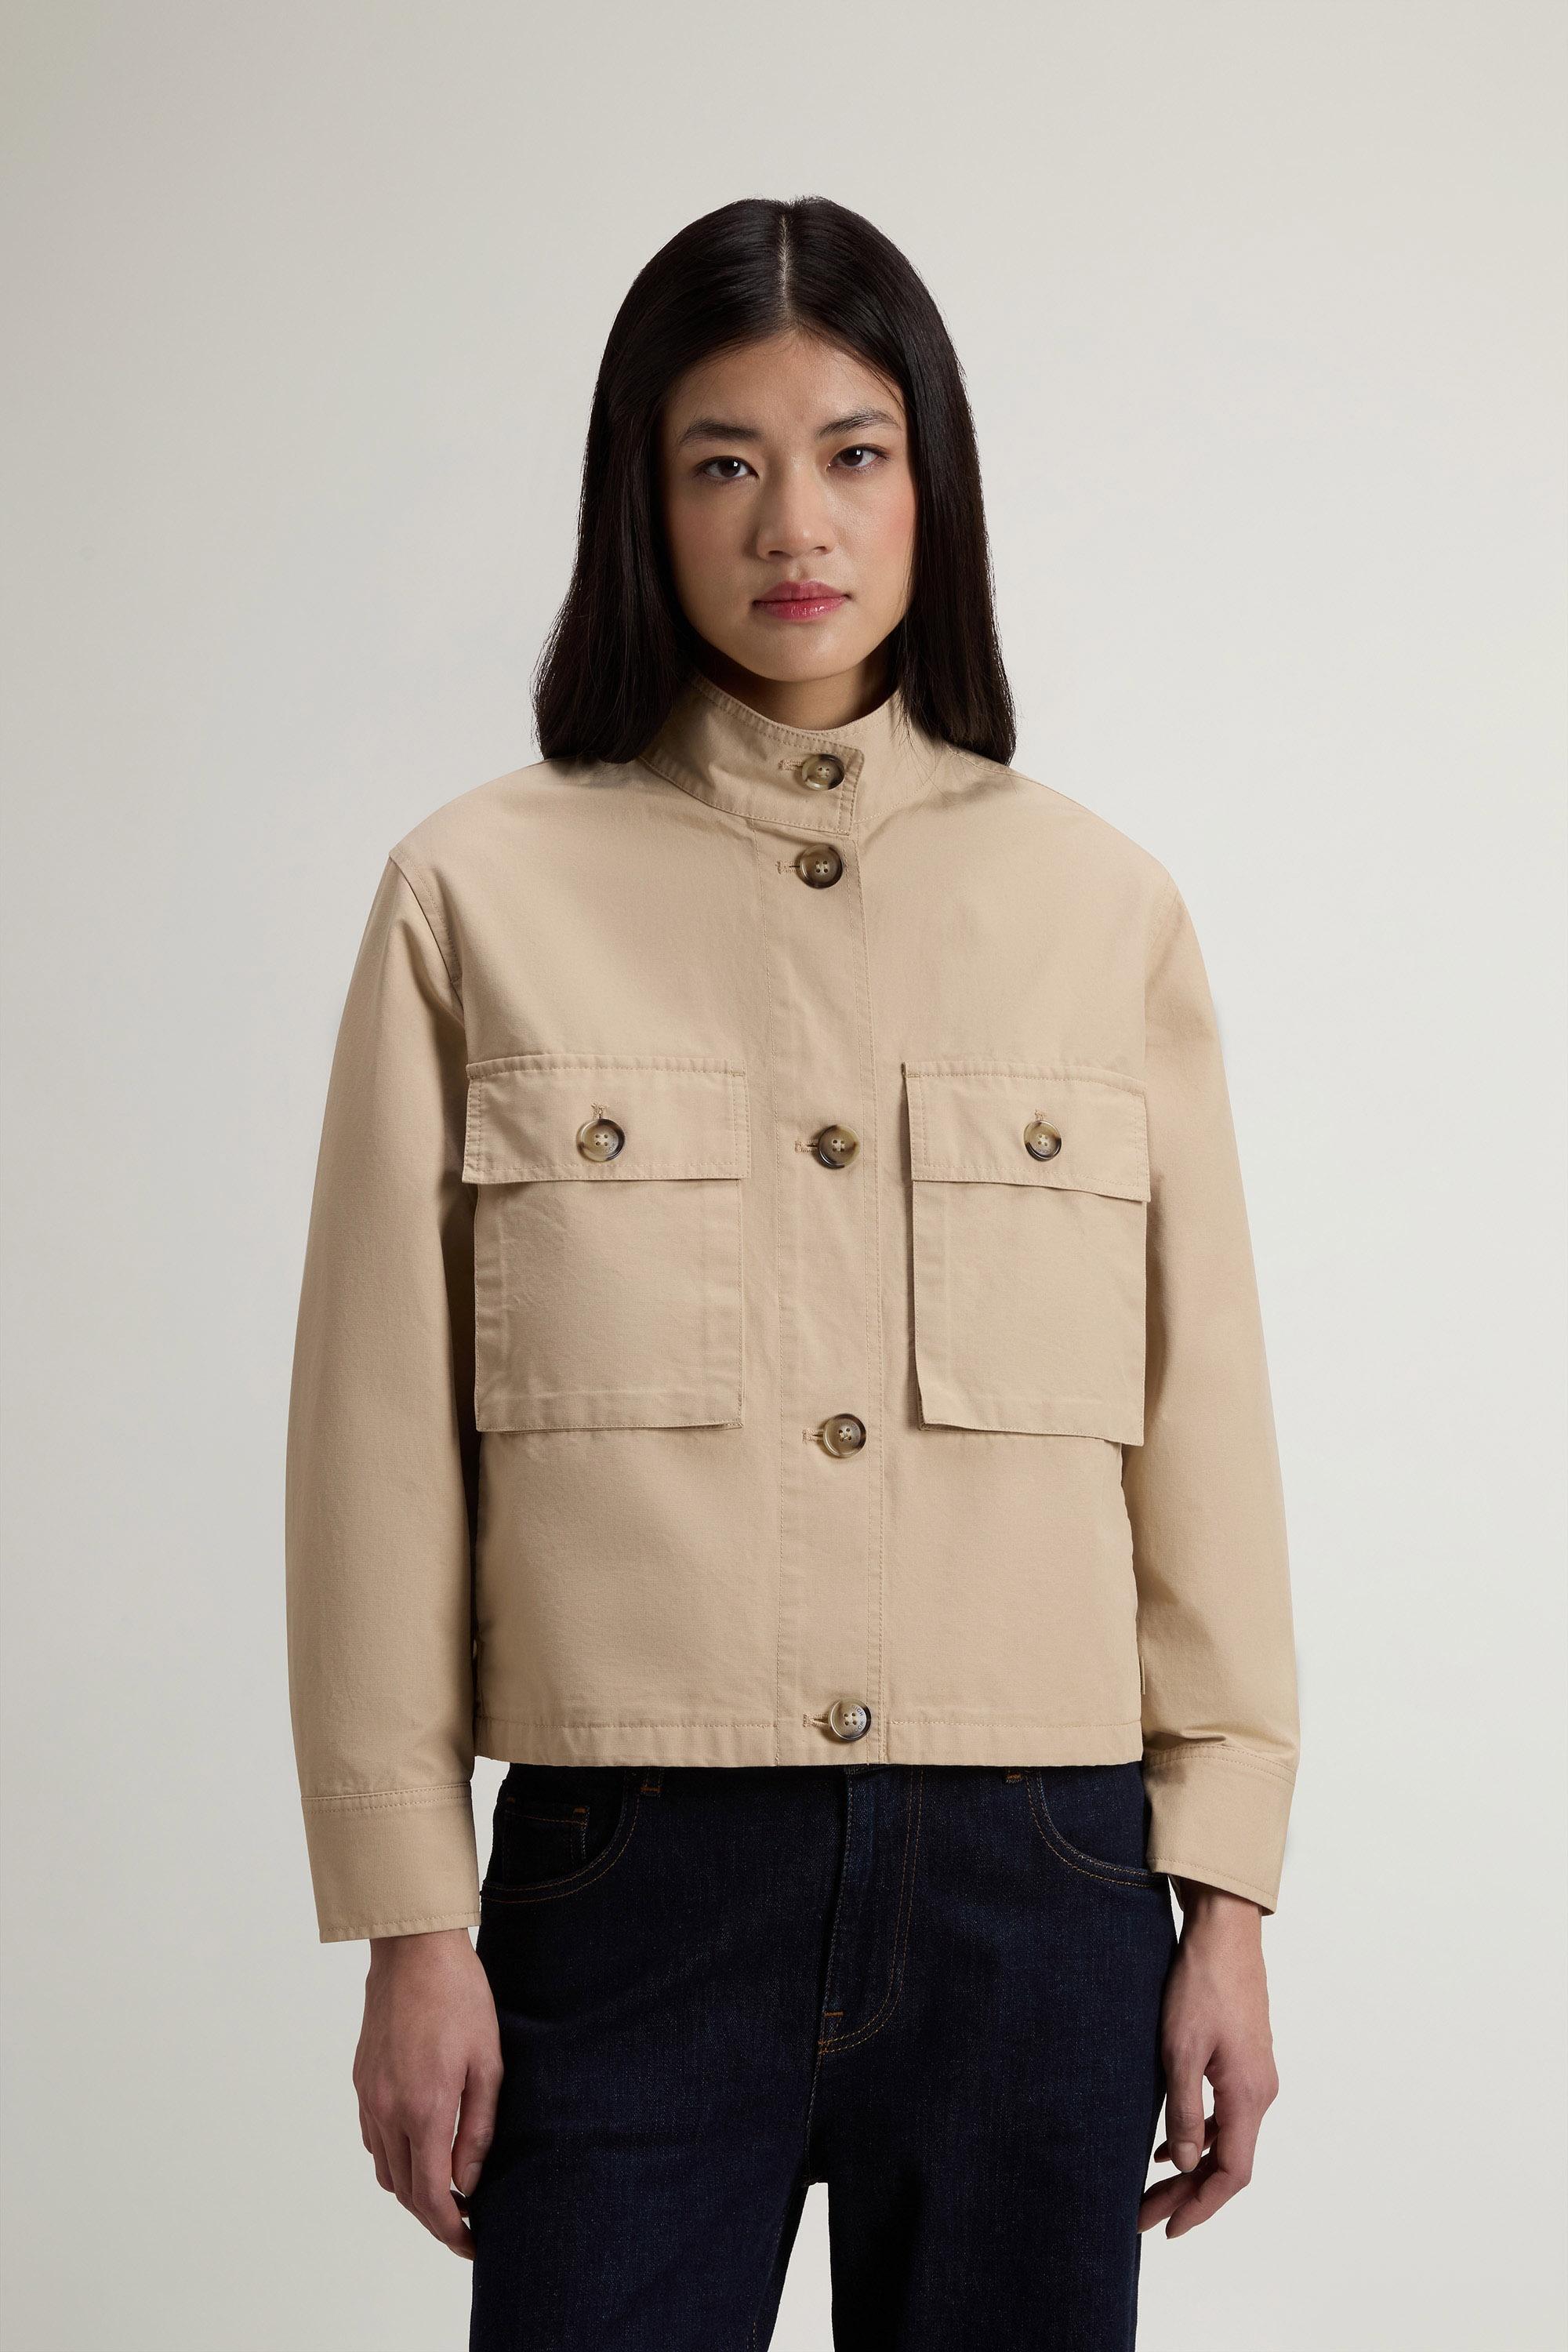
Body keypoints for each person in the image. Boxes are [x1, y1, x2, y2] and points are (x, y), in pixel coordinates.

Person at [285, 195, 1301, 2349]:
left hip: (1042, 1887)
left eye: (853, 453)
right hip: (628, 1883)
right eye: (722, 463)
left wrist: (1226, 1897)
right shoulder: (475, 896)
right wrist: (408, 1919)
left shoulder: (1100, 908)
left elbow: (1201, 1427)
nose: (794, 525)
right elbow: (375, 1441)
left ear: (935, 480)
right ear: (639, 505)